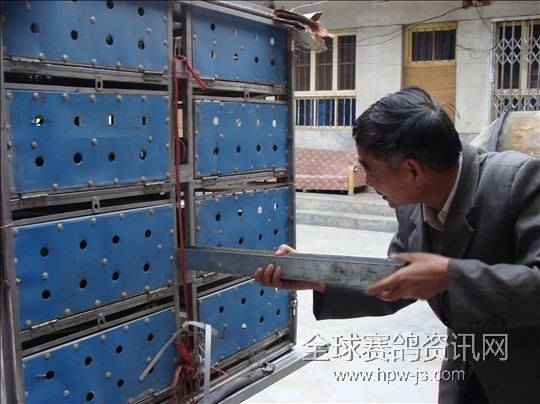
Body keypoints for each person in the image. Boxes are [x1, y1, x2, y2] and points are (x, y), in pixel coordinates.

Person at [254, 86, 540, 404]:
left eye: (369, 169)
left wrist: (450, 276)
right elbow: (398, 282)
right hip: (464, 378)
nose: (366, 179)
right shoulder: (411, 206)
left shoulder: (518, 182)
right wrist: (319, 277)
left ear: (413, 170)